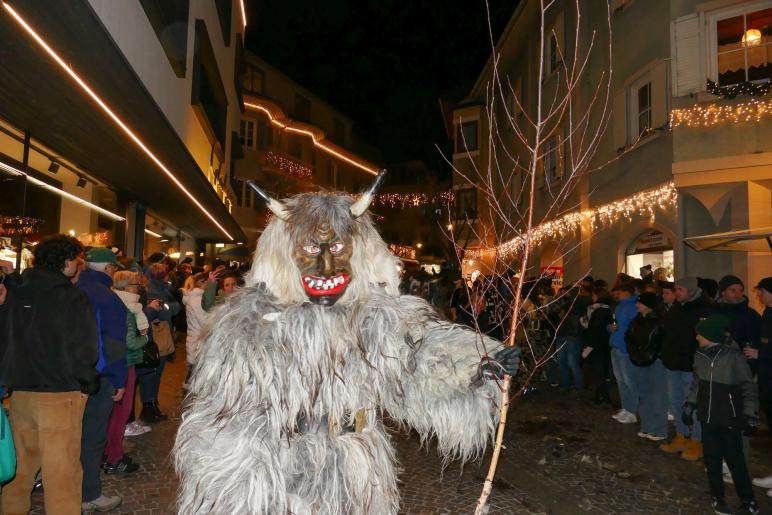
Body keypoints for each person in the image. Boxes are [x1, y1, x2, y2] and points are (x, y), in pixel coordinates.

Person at [173, 175, 520, 514]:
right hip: (270, 465)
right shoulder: (246, 322)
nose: (326, 267)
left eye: (338, 248)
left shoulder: (375, 317)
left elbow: (414, 360)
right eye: (311, 248)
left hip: (352, 466)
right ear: (285, 251)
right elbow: (218, 414)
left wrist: (475, 364)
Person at [0, 235, 100, 515]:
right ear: (66, 262)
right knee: (62, 473)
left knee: (19, 468)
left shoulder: (16, 291)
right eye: (77, 261)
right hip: (60, 394)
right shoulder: (70, 296)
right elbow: (84, 347)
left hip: (20, 393)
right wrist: (88, 381)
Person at [685, 315, 759, 515]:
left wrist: (750, 414)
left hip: (728, 416)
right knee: (712, 459)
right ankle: (718, 497)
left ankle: (748, 500)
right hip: (707, 416)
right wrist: (690, 404)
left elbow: (748, 386)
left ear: (709, 335)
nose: (697, 336)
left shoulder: (733, 356)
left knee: (735, 460)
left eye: (700, 333)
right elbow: (696, 382)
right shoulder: (700, 354)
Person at [77, 247, 130, 512]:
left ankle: (62, 488)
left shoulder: (70, 289)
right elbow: (114, 345)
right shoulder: (108, 299)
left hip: (67, 377)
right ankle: (89, 494)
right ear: (109, 269)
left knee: (68, 435)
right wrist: (119, 380)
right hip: (99, 378)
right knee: (93, 435)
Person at [659, 276, 710, 461]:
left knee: (693, 405)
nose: (676, 292)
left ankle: (697, 440)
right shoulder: (676, 308)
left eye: (680, 289)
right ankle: (681, 436)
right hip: (673, 363)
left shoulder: (702, 310)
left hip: (691, 366)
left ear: (690, 291)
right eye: (676, 289)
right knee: (675, 401)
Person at [104, 271, 149, 468]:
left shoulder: (112, 301)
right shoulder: (129, 308)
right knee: (121, 412)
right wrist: (145, 338)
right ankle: (114, 456)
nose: (137, 287)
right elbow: (130, 342)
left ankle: (106, 452)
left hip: (111, 362)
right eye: (134, 284)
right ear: (126, 286)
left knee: (112, 412)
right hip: (124, 363)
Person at [139, 263, 180, 423]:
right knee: (153, 373)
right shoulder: (156, 291)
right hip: (157, 338)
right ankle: (149, 407)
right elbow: (165, 312)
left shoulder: (155, 288)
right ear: (164, 276)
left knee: (154, 373)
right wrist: (175, 306)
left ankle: (152, 405)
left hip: (156, 336)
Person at [625, 292, 667, 441]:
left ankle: (660, 429)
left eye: (640, 303)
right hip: (640, 360)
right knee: (643, 394)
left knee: (658, 396)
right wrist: (634, 353)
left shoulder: (660, 320)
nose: (637, 305)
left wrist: (652, 354)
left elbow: (659, 342)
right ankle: (647, 426)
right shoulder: (638, 319)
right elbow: (629, 337)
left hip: (655, 362)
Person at [750, 277, 772, 495]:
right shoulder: (767, 313)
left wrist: (761, 353)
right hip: (766, 380)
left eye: (762, 291)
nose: (759, 295)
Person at [713, 275, 762, 368]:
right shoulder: (713, 312)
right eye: (733, 290)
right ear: (723, 292)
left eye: (740, 290)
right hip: (718, 363)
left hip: (743, 364)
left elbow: (757, 339)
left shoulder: (751, 314)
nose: (737, 294)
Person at [609, 283, 639, 424]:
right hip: (616, 346)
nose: (617, 294)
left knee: (629, 381)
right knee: (621, 381)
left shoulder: (633, 307)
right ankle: (626, 408)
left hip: (625, 349)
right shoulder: (620, 306)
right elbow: (614, 325)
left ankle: (632, 410)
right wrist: (610, 327)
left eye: (619, 292)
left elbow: (634, 329)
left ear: (626, 292)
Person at [583, 287, 614, 406]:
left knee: (599, 373)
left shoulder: (599, 311)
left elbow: (595, 329)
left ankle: (603, 397)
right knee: (601, 372)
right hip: (603, 345)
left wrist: (590, 344)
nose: (592, 298)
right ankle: (600, 395)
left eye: (594, 295)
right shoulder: (607, 310)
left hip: (598, 346)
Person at [182, 272, 211, 388]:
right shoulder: (197, 300)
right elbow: (205, 322)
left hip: (195, 339)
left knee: (193, 373)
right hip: (199, 341)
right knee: (195, 376)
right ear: (203, 282)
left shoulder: (192, 297)